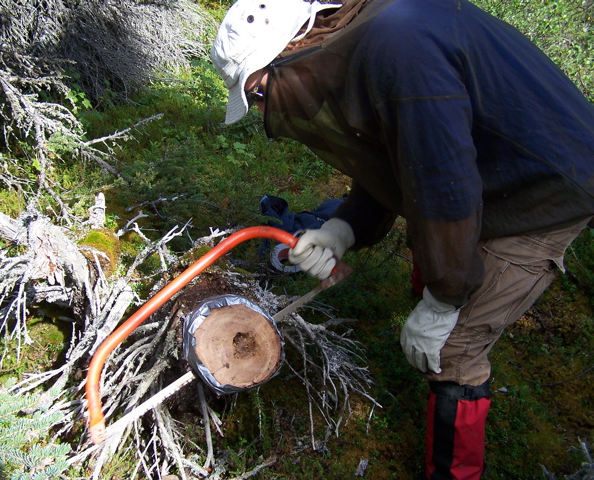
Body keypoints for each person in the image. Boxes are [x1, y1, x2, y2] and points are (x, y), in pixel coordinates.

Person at [211, 0, 594, 477]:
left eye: (262, 92)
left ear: (291, 49)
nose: (267, 108)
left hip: (546, 182)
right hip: (491, 164)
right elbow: (401, 159)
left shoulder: (400, 47)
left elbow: (444, 190)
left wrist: (443, 300)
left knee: (452, 349)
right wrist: (343, 228)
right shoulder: (367, 39)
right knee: (439, 246)